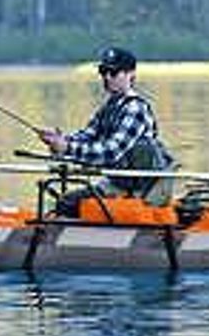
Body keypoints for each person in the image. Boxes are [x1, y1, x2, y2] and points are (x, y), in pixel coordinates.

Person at [37, 46, 174, 215]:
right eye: (104, 72)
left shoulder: (136, 108)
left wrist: (67, 148)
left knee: (69, 203)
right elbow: (88, 135)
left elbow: (111, 152)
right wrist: (59, 139)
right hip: (119, 184)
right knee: (66, 202)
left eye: (114, 73)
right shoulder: (110, 106)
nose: (107, 77)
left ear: (130, 75)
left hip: (146, 190)